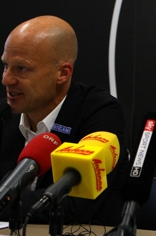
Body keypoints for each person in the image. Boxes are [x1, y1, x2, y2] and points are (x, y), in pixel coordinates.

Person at [0, 15, 128, 225]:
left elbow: (72, 205)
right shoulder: (4, 114)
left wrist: (5, 202)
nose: (6, 79)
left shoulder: (100, 113)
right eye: (6, 65)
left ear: (63, 73)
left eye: (21, 69)